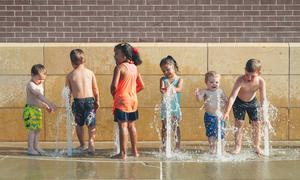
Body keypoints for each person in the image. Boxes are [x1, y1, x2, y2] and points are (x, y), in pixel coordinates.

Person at [223, 59, 266, 155]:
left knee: (257, 124)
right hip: (239, 102)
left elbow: (263, 99)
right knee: (239, 123)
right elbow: (232, 97)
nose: (249, 78)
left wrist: (265, 115)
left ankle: (257, 146)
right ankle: (237, 147)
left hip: (253, 102)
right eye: (247, 74)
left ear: (259, 73)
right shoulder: (240, 80)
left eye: (253, 76)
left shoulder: (260, 81)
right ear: (244, 70)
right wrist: (227, 112)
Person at [110, 43, 144, 160]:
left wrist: (115, 95)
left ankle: (123, 153)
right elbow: (141, 85)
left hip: (122, 100)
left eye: (116, 54)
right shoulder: (134, 67)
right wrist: (132, 92)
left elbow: (114, 86)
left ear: (124, 56)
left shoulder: (119, 68)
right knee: (131, 126)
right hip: (133, 100)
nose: (114, 56)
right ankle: (135, 151)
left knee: (123, 126)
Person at [66, 49, 100, 154]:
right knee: (91, 124)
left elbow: (67, 92)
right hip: (90, 101)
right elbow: (95, 89)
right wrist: (97, 100)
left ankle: (82, 145)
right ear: (84, 60)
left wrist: (67, 104)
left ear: (72, 62)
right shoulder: (90, 73)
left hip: (77, 102)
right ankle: (91, 143)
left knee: (79, 124)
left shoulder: (70, 75)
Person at [23, 64, 56, 155]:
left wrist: (46, 106)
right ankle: (30, 148)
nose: (41, 81)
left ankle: (36, 146)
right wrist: (49, 103)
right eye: (39, 79)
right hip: (30, 110)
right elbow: (38, 95)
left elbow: (39, 99)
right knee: (32, 130)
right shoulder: (31, 84)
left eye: (43, 79)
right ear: (32, 75)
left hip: (37, 110)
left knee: (37, 130)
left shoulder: (40, 84)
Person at [195, 71, 227, 154]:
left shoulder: (220, 91)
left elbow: (226, 101)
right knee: (211, 133)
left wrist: (226, 112)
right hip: (209, 116)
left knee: (222, 133)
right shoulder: (205, 91)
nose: (214, 84)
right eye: (211, 82)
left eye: (217, 82)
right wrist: (198, 95)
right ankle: (212, 148)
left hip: (220, 116)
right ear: (206, 83)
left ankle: (222, 149)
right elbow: (199, 99)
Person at [159, 55, 183, 151]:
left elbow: (180, 88)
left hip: (174, 107)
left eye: (168, 69)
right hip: (165, 106)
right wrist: (164, 89)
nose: (166, 72)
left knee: (175, 126)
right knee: (164, 126)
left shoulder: (179, 79)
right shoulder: (163, 79)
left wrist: (172, 89)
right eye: (163, 71)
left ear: (174, 67)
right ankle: (164, 145)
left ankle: (177, 146)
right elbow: (161, 89)